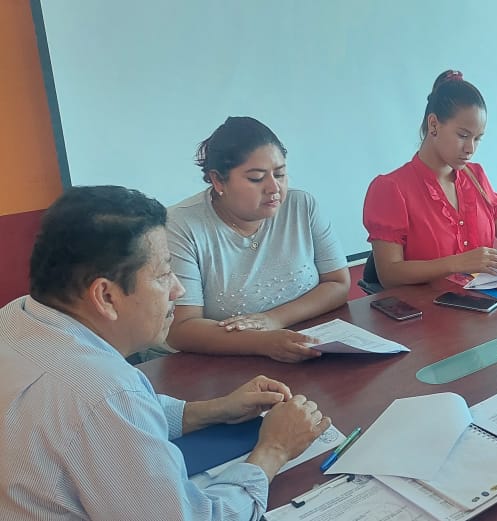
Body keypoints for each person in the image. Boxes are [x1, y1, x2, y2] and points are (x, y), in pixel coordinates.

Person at [0, 185, 331, 520]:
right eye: (163, 274)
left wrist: (213, 410)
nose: (178, 289)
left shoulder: (17, 316)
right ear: (106, 296)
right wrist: (274, 450)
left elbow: (99, 421)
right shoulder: (106, 392)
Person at [165, 117, 350, 363]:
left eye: (280, 174)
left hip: (308, 346)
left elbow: (338, 283)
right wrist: (263, 342)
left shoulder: (302, 205)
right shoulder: (180, 225)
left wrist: (274, 320)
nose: (274, 188)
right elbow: (181, 328)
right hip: (218, 363)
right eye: (256, 178)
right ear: (218, 180)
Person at [363, 70, 497, 288]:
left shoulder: (476, 176)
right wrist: (456, 263)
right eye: (462, 135)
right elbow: (389, 273)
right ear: (433, 125)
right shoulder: (391, 188)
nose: (470, 148)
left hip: (483, 300)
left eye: (477, 139)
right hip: (427, 306)